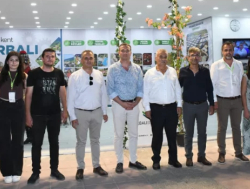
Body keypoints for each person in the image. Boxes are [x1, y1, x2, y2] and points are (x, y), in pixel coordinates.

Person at [25, 48, 68, 184]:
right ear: (42, 58)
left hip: (54, 114)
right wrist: (27, 115)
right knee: (36, 144)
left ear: (55, 59)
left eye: (52, 56)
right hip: (37, 115)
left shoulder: (59, 73)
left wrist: (65, 110)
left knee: (54, 143)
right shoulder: (33, 74)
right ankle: (35, 172)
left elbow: (63, 93)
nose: (50, 58)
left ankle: (54, 170)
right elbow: (29, 96)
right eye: (47, 56)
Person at [68, 50, 109, 180]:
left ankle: (96, 166)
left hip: (97, 112)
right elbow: (70, 99)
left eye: (90, 58)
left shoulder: (99, 75)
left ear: (94, 60)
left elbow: (103, 94)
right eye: (86, 58)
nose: (88, 60)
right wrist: (73, 117)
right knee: (81, 142)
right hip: (81, 113)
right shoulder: (74, 76)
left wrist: (105, 111)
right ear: (81, 60)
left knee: (95, 140)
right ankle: (80, 167)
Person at [107, 44, 146, 173]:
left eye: (127, 50)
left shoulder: (137, 69)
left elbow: (141, 88)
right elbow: (110, 89)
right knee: (118, 135)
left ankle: (133, 161)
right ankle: (119, 161)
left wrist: (135, 103)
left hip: (134, 105)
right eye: (122, 50)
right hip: (119, 105)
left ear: (130, 52)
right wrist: (122, 103)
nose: (125, 52)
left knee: (134, 134)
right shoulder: (112, 69)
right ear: (119, 53)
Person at [143, 49, 183, 170]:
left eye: (165, 57)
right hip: (156, 109)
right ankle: (156, 159)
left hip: (171, 108)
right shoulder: (149, 73)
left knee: (171, 135)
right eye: (161, 56)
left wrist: (179, 104)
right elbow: (145, 93)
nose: (163, 59)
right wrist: (147, 108)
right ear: (156, 58)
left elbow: (177, 89)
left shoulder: (172, 72)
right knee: (157, 136)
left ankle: (173, 159)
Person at [210, 41, 249, 164]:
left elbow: (241, 83)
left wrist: (243, 101)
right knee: (222, 128)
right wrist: (214, 101)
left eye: (230, 50)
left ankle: (238, 152)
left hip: (237, 100)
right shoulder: (216, 65)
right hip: (222, 101)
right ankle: (222, 152)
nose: (228, 52)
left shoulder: (238, 64)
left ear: (233, 51)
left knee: (236, 127)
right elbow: (212, 85)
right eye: (226, 50)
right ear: (222, 51)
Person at [0, 51, 27, 183]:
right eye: (11, 60)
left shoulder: (24, 76)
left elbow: (25, 94)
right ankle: (7, 171)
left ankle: (16, 170)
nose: (14, 62)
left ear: (19, 63)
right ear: (7, 62)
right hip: (2, 107)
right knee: (4, 140)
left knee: (18, 141)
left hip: (18, 107)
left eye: (16, 60)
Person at [179, 47, 214, 167]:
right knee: (188, 133)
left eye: (197, 55)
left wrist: (212, 104)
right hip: (188, 106)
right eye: (192, 55)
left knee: (202, 133)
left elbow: (209, 89)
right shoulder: (183, 71)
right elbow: (178, 89)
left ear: (200, 57)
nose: (194, 57)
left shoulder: (205, 71)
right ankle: (189, 156)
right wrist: (178, 105)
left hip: (202, 106)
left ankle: (201, 156)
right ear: (188, 57)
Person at [20, 50, 33, 145]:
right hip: (20, 98)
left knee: (28, 117)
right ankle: (29, 136)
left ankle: (31, 136)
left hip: (28, 98)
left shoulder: (29, 73)